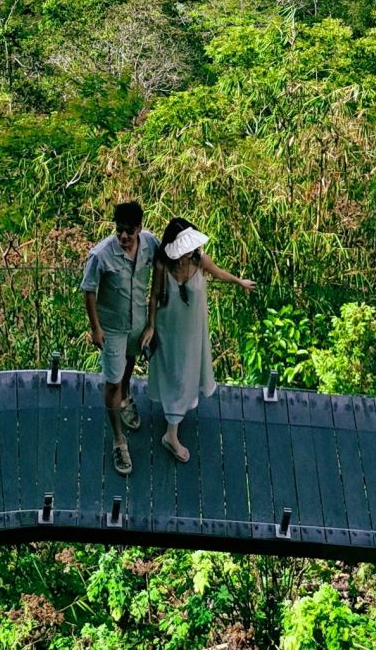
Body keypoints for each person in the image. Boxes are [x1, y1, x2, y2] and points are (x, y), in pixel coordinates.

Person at [141, 217, 255, 464]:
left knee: (186, 371)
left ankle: (173, 422)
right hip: (168, 326)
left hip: (192, 329)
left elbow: (219, 273)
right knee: (174, 372)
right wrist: (151, 326)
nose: (190, 251)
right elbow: (154, 297)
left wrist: (239, 282)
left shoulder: (199, 260)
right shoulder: (163, 265)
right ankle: (171, 434)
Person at [80, 200, 158, 476]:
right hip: (112, 327)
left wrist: (151, 322)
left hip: (137, 322)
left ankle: (126, 397)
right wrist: (96, 328)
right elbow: (89, 290)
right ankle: (118, 439)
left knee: (129, 361)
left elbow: (167, 263)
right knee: (111, 382)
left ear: (140, 228)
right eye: (119, 230)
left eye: (129, 231)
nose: (123, 236)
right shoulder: (101, 255)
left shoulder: (149, 244)